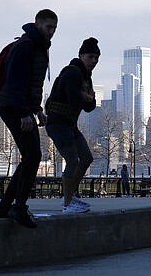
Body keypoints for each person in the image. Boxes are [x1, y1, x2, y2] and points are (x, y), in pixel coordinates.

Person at [0, 9, 58, 228]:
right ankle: (17, 207)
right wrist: (23, 113)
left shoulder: (38, 47)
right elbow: (16, 82)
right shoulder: (26, 46)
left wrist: (37, 110)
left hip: (18, 106)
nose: (51, 32)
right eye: (48, 27)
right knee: (33, 155)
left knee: (31, 155)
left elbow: (33, 84)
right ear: (37, 24)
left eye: (54, 28)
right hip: (12, 106)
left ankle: (5, 207)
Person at [45, 37, 100, 213]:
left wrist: (87, 99)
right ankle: (68, 202)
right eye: (91, 56)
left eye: (96, 58)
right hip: (58, 123)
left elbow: (90, 107)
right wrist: (87, 98)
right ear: (81, 55)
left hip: (70, 125)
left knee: (86, 158)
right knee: (72, 160)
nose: (94, 61)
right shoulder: (72, 73)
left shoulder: (86, 78)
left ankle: (71, 195)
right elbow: (77, 102)